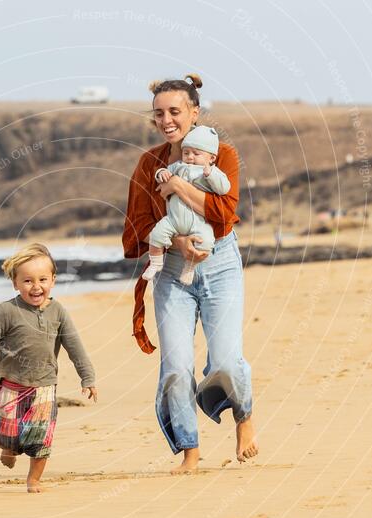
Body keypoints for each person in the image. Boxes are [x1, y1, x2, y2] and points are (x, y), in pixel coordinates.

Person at [122, 73, 258, 472]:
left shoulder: (223, 155)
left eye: (175, 111)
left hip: (220, 266)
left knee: (227, 360)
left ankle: (243, 417)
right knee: (176, 366)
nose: (167, 120)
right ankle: (189, 450)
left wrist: (179, 189)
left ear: (195, 112)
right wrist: (175, 243)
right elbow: (137, 226)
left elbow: (223, 214)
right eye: (159, 113)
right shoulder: (149, 164)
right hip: (172, 272)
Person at [0, 243, 97, 493]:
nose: (36, 286)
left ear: (53, 280)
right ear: (15, 283)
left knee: (40, 436)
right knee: (10, 433)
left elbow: (74, 346)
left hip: (44, 385)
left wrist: (87, 377)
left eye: (42, 279)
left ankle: (33, 479)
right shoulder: (6, 311)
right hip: (11, 384)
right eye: (27, 280)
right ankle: (8, 448)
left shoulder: (59, 312)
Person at [142, 125, 230, 285]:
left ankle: (189, 268)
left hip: (198, 222)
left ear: (211, 158)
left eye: (196, 153)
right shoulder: (179, 167)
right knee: (157, 234)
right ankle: (155, 262)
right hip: (174, 220)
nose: (190, 157)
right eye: (186, 152)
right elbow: (161, 172)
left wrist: (211, 174)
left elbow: (224, 188)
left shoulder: (212, 172)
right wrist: (161, 174)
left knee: (206, 241)